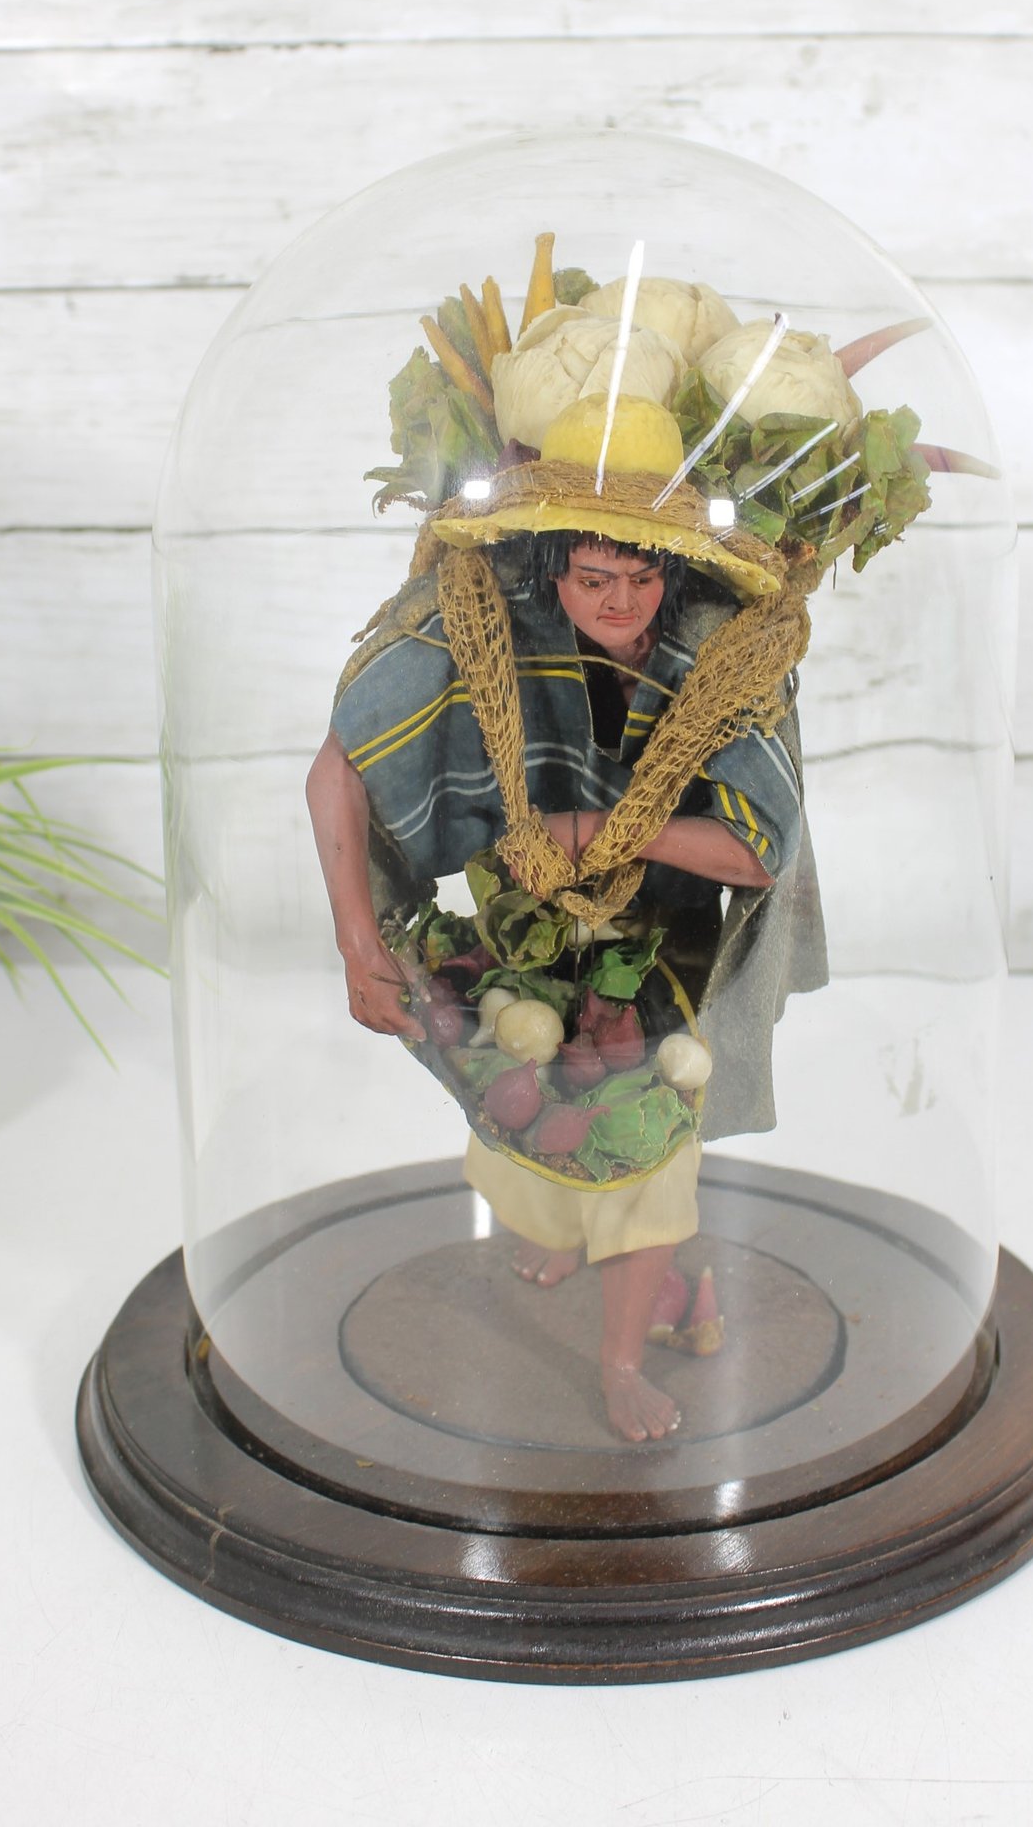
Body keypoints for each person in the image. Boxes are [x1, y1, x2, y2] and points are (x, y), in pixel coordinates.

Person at [306, 398, 826, 1442]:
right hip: (528, 927)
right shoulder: (479, 622)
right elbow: (338, 768)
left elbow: (758, 848)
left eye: (642, 576)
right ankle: (573, 1235)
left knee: (646, 1146)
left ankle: (627, 1349)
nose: (621, 599)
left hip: (668, 945)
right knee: (521, 1106)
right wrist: (359, 942)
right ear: (550, 569)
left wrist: (605, 831)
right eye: (593, 577)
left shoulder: (721, 649)